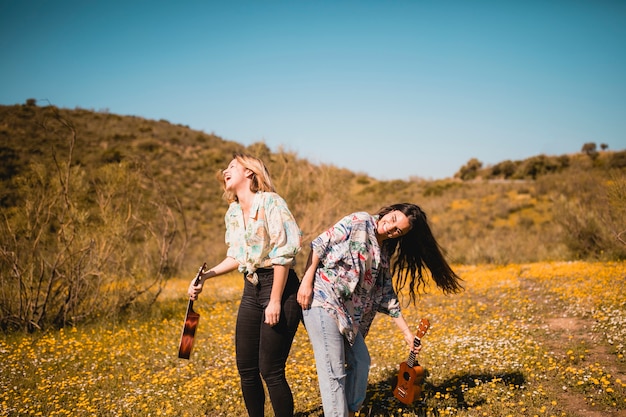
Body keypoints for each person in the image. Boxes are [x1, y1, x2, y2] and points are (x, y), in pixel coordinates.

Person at [297, 203, 463, 417]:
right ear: (389, 211)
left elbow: (387, 294)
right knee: (333, 369)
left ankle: (346, 411)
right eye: (393, 219)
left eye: (397, 231)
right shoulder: (360, 221)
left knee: (361, 361)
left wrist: (407, 333)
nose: (390, 228)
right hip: (322, 298)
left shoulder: (383, 252)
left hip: (346, 315)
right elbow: (320, 244)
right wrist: (306, 282)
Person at [188, 153, 302, 417]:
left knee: (270, 369)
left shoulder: (271, 202)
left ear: (250, 173)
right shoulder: (233, 212)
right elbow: (236, 255)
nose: (225, 171)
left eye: (232, 167)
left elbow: (283, 253)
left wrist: (275, 300)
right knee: (247, 369)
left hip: (280, 287)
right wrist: (205, 276)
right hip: (251, 289)